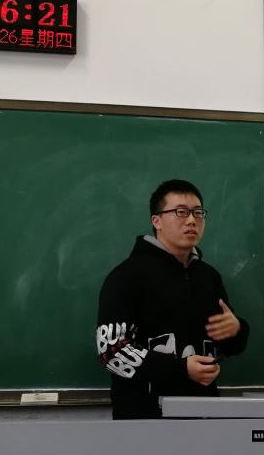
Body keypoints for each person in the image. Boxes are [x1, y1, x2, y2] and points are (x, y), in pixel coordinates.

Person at [96, 179, 250, 419]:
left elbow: (228, 347)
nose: (191, 220)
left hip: (205, 415)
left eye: (198, 213)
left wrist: (236, 330)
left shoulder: (209, 277)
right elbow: (112, 352)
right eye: (180, 212)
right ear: (156, 221)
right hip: (144, 417)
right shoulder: (127, 276)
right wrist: (180, 369)